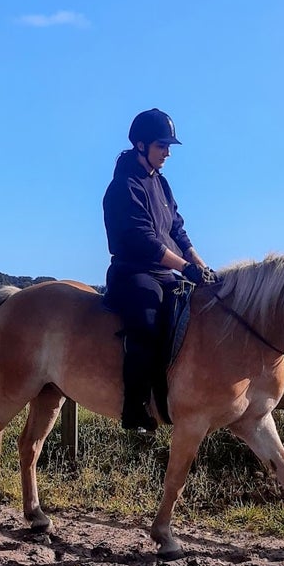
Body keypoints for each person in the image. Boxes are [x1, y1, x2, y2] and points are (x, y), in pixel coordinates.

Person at [102, 108, 219, 433]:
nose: (167, 152)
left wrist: (200, 265)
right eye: (161, 146)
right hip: (134, 272)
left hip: (167, 273)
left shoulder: (162, 185)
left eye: (169, 146)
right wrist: (184, 267)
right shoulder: (124, 187)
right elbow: (146, 242)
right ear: (141, 146)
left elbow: (177, 231)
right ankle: (135, 407)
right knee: (148, 322)